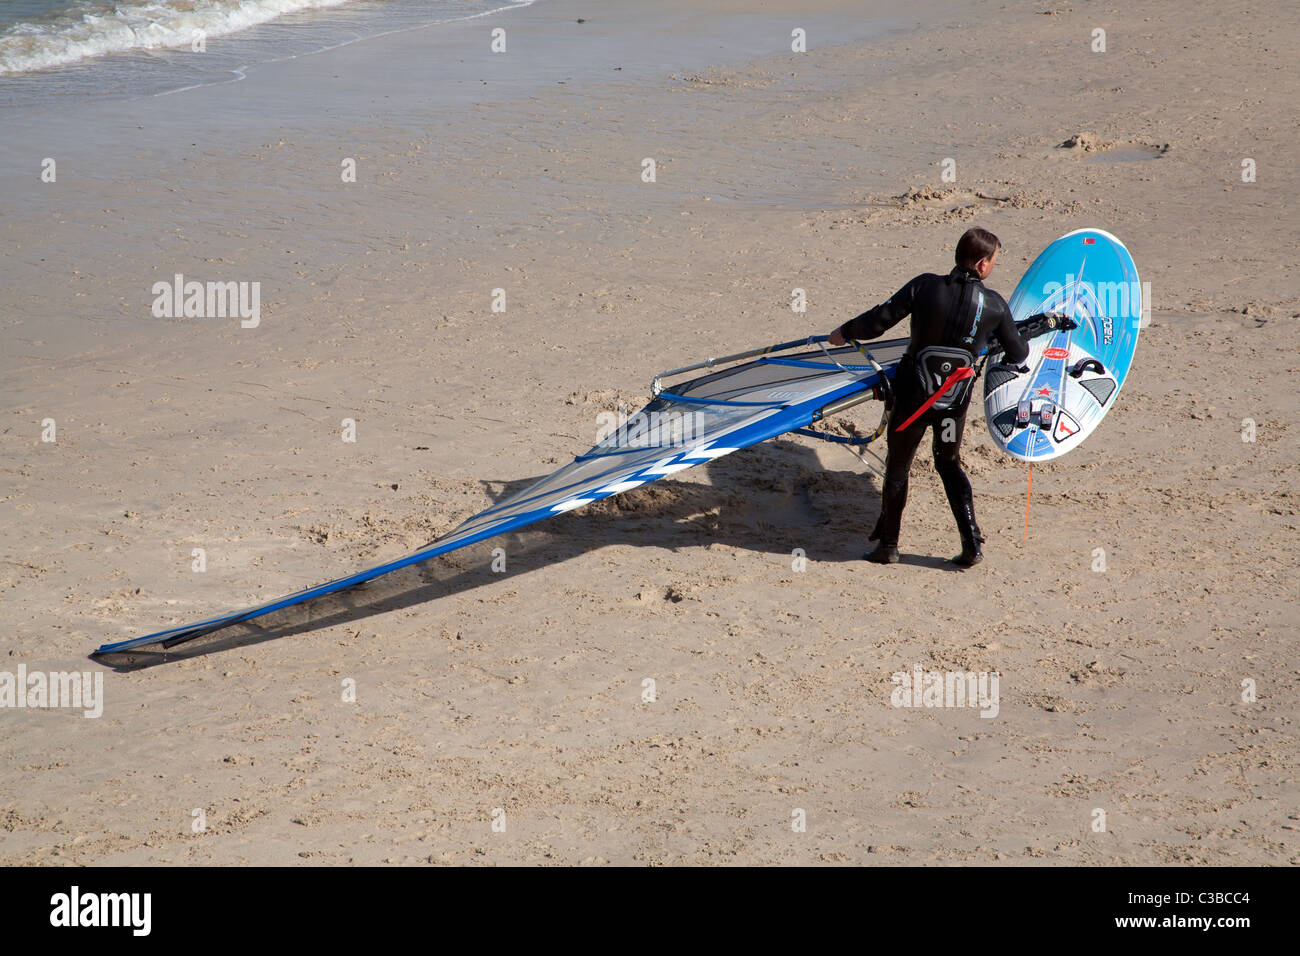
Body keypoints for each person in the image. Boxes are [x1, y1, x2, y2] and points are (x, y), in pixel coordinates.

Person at [827, 227, 1029, 567]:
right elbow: (1018, 353)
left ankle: (888, 547)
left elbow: (879, 321)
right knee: (948, 463)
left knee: (898, 466)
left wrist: (844, 331)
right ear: (981, 264)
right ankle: (971, 545)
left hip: (912, 400)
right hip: (951, 406)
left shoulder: (924, 287)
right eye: (994, 261)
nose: (993, 267)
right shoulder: (994, 305)